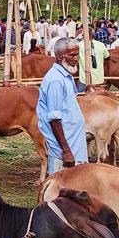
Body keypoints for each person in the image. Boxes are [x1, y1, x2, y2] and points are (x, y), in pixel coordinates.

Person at [37, 38, 87, 172]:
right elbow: (54, 118)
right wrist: (66, 151)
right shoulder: (55, 80)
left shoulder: (66, 76)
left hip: (73, 144)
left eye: (77, 54)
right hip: (65, 150)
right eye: (71, 55)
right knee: (61, 189)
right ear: (59, 56)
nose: (76, 58)